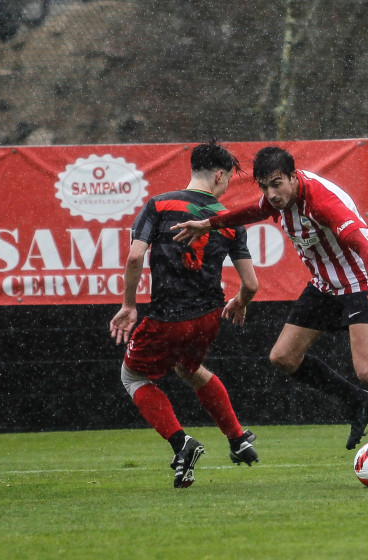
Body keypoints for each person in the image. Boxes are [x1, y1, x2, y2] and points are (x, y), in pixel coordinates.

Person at [172, 146, 368, 484]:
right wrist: (209, 223)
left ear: (294, 177)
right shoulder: (274, 200)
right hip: (325, 285)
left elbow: (361, 241)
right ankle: (356, 401)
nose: (272, 194)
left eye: (277, 184)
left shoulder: (321, 202)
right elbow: (248, 213)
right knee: (283, 357)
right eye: (265, 186)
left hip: (361, 284)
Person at [110, 140, 260, 489]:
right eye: (228, 180)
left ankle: (182, 444)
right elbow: (251, 284)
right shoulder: (228, 219)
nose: (226, 187)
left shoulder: (159, 205)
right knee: (189, 369)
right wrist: (240, 301)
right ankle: (237, 439)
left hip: (167, 317)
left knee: (132, 377)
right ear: (219, 174)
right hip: (208, 319)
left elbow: (134, 258)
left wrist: (129, 306)